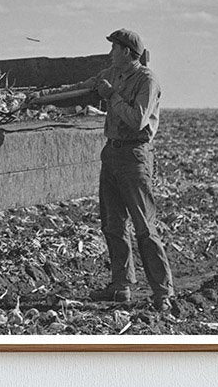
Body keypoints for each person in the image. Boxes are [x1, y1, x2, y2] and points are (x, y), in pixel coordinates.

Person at [74, 28, 175, 313]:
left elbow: (137, 120)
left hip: (134, 156)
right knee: (113, 224)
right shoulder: (112, 73)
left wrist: (111, 96)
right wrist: (44, 98)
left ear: (128, 53)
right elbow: (84, 87)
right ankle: (121, 287)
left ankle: (162, 292)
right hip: (112, 153)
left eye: (114, 49)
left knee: (144, 226)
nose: (110, 53)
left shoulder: (147, 80)